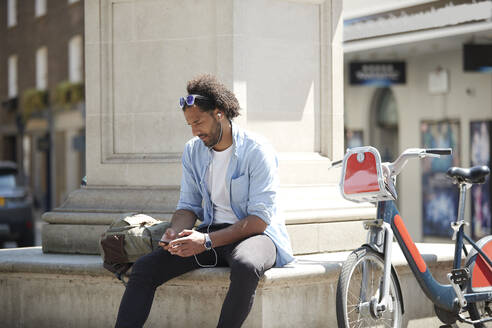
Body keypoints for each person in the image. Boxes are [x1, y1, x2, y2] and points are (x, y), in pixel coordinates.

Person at [115, 74, 294, 328]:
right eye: (189, 124)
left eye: (198, 122)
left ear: (219, 113)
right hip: (212, 235)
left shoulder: (257, 151)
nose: (195, 131)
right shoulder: (193, 151)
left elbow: (259, 221)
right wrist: (174, 232)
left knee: (245, 266)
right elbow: (188, 206)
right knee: (145, 269)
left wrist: (206, 241)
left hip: (258, 237)